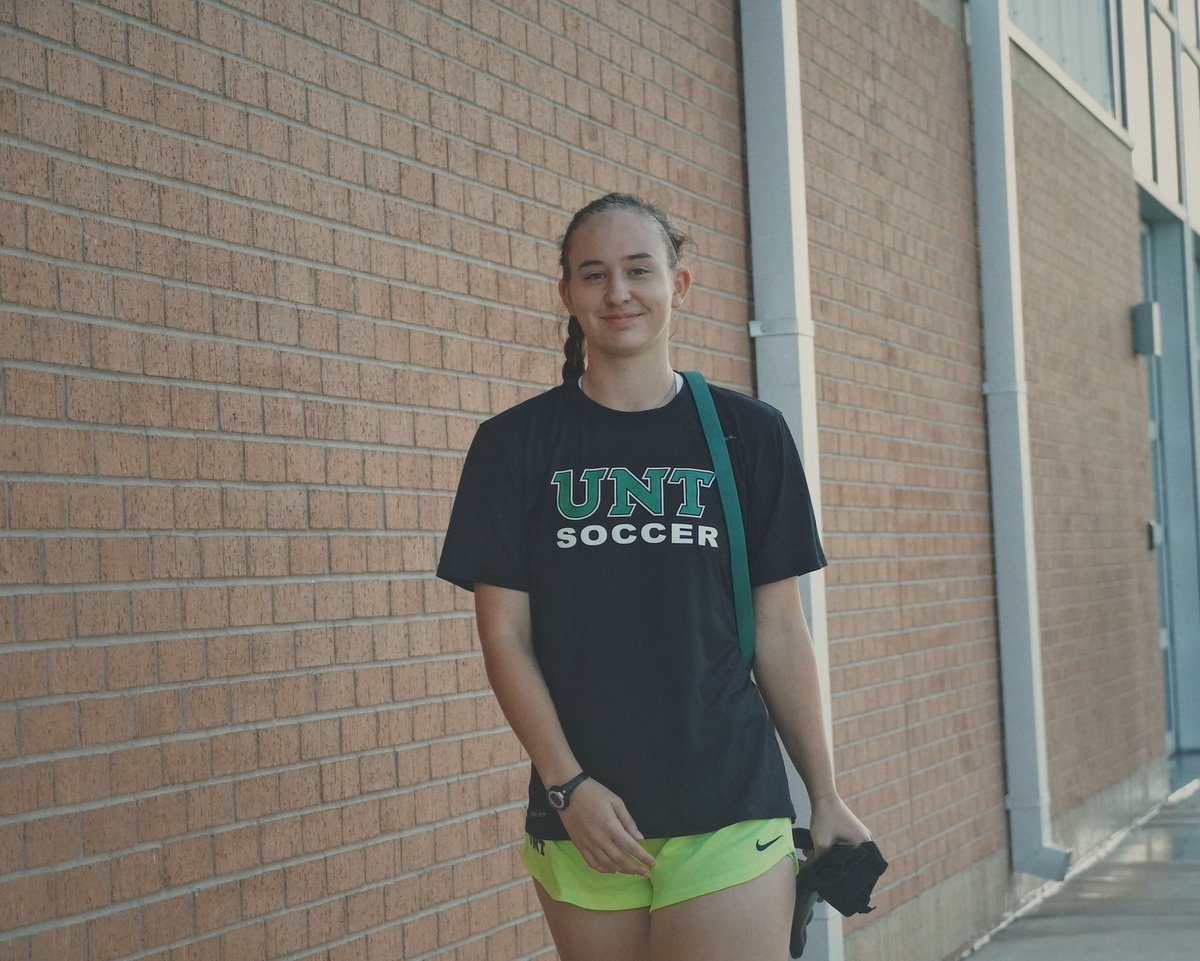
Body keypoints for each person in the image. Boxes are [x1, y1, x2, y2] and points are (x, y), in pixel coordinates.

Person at [437, 193, 870, 961]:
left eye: (639, 269)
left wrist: (826, 793)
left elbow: (780, 631)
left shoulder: (748, 434)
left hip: (729, 803)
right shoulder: (514, 446)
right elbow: (504, 636)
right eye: (594, 274)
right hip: (584, 817)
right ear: (566, 294)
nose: (618, 292)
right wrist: (567, 785)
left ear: (681, 284)